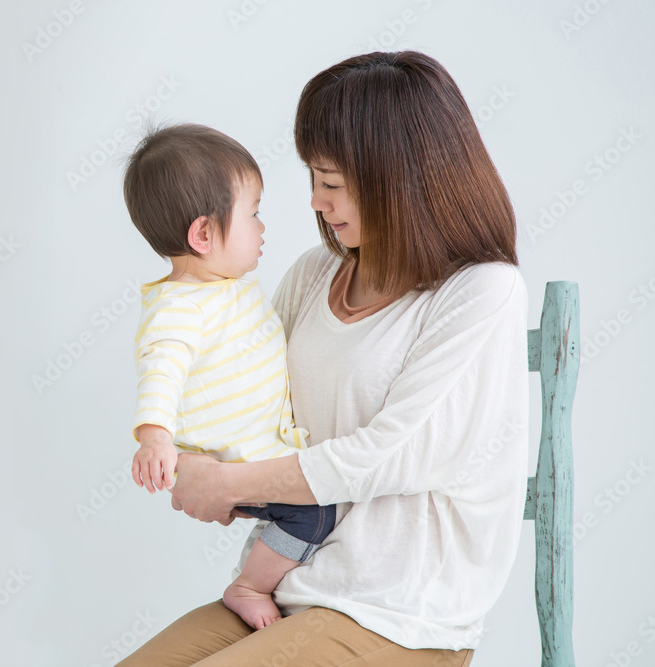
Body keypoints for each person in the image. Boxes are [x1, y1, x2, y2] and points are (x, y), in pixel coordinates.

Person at [116, 51, 529, 666]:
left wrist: (227, 483)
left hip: (398, 616)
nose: (314, 201)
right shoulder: (316, 273)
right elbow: (248, 393)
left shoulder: (481, 292)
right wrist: (193, 459)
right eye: (312, 178)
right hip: (286, 590)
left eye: (331, 183)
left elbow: (387, 456)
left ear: (399, 177)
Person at [122, 123, 338, 630]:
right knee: (315, 512)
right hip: (238, 459)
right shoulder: (179, 308)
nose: (262, 227)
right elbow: (160, 372)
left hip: (260, 448)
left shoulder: (225, 286)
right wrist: (155, 438)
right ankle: (249, 585)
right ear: (203, 235)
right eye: (253, 213)